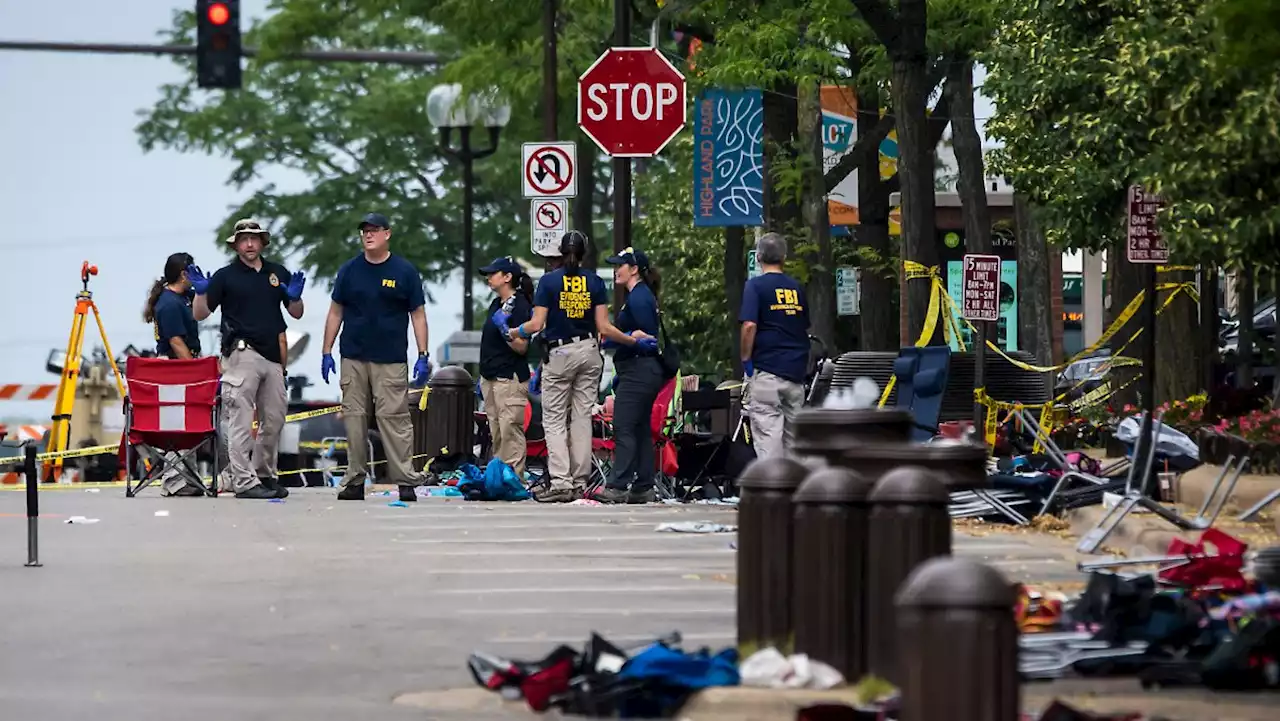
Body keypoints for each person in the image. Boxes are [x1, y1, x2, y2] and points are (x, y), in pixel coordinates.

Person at [508, 231, 651, 502]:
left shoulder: (549, 282)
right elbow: (604, 327)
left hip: (560, 353)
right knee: (582, 417)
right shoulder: (595, 282)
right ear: (584, 253)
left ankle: (561, 482)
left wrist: (515, 331)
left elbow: (537, 325)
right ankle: (580, 480)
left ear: (561, 253)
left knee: (554, 419)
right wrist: (632, 341)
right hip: (588, 351)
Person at [188, 219, 305, 500]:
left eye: (254, 238)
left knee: (274, 418)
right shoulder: (225, 276)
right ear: (236, 244)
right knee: (240, 420)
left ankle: (263, 474)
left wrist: (295, 297)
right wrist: (202, 292)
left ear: (263, 242)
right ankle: (243, 480)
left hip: (274, 356)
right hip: (242, 352)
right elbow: (200, 314)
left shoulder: (277, 272)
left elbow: (296, 313)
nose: (249, 244)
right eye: (243, 239)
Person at [320, 212, 432, 503]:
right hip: (354, 356)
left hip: (390, 358)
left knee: (394, 419)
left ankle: (405, 480)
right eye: (364, 231)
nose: (368, 235)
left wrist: (423, 354)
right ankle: (355, 480)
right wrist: (326, 351)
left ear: (387, 234)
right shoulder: (349, 270)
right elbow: (335, 311)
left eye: (373, 230)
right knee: (354, 420)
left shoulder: (404, 271)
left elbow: (418, 314)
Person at [591, 247, 665, 505]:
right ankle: (643, 486)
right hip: (641, 370)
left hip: (639, 369)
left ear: (634, 269)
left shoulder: (639, 298)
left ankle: (618, 485)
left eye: (620, 265)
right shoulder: (641, 296)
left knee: (622, 426)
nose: (615, 270)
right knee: (640, 428)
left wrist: (626, 338)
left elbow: (645, 336)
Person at [739, 232, 809, 460]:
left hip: (767, 371)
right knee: (795, 443)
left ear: (758, 257)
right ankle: (795, 490)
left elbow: (749, 325)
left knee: (768, 438)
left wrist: (746, 359)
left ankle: (772, 491)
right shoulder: (797, 288)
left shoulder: (755, 287)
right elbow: (803, 327)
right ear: (784, 258)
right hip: (795, 374)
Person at [477, 256, 535, 477]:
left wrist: (505, 330)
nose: (489, 278)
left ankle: (514, 478)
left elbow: (521, 347)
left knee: (510, 430)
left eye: (493, 274)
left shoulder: (520, 305)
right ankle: (500, 478)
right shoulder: (496, 304)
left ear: (507, 277)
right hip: (490, 377)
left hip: (508, 377)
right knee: (497, 432)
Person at [145, 252, 200, 360]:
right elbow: (176, 342)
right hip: (175, 362)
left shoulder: (184, 296)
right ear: (184, 275)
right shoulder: (169, 304)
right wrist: (192, 368)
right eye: (192, 272)